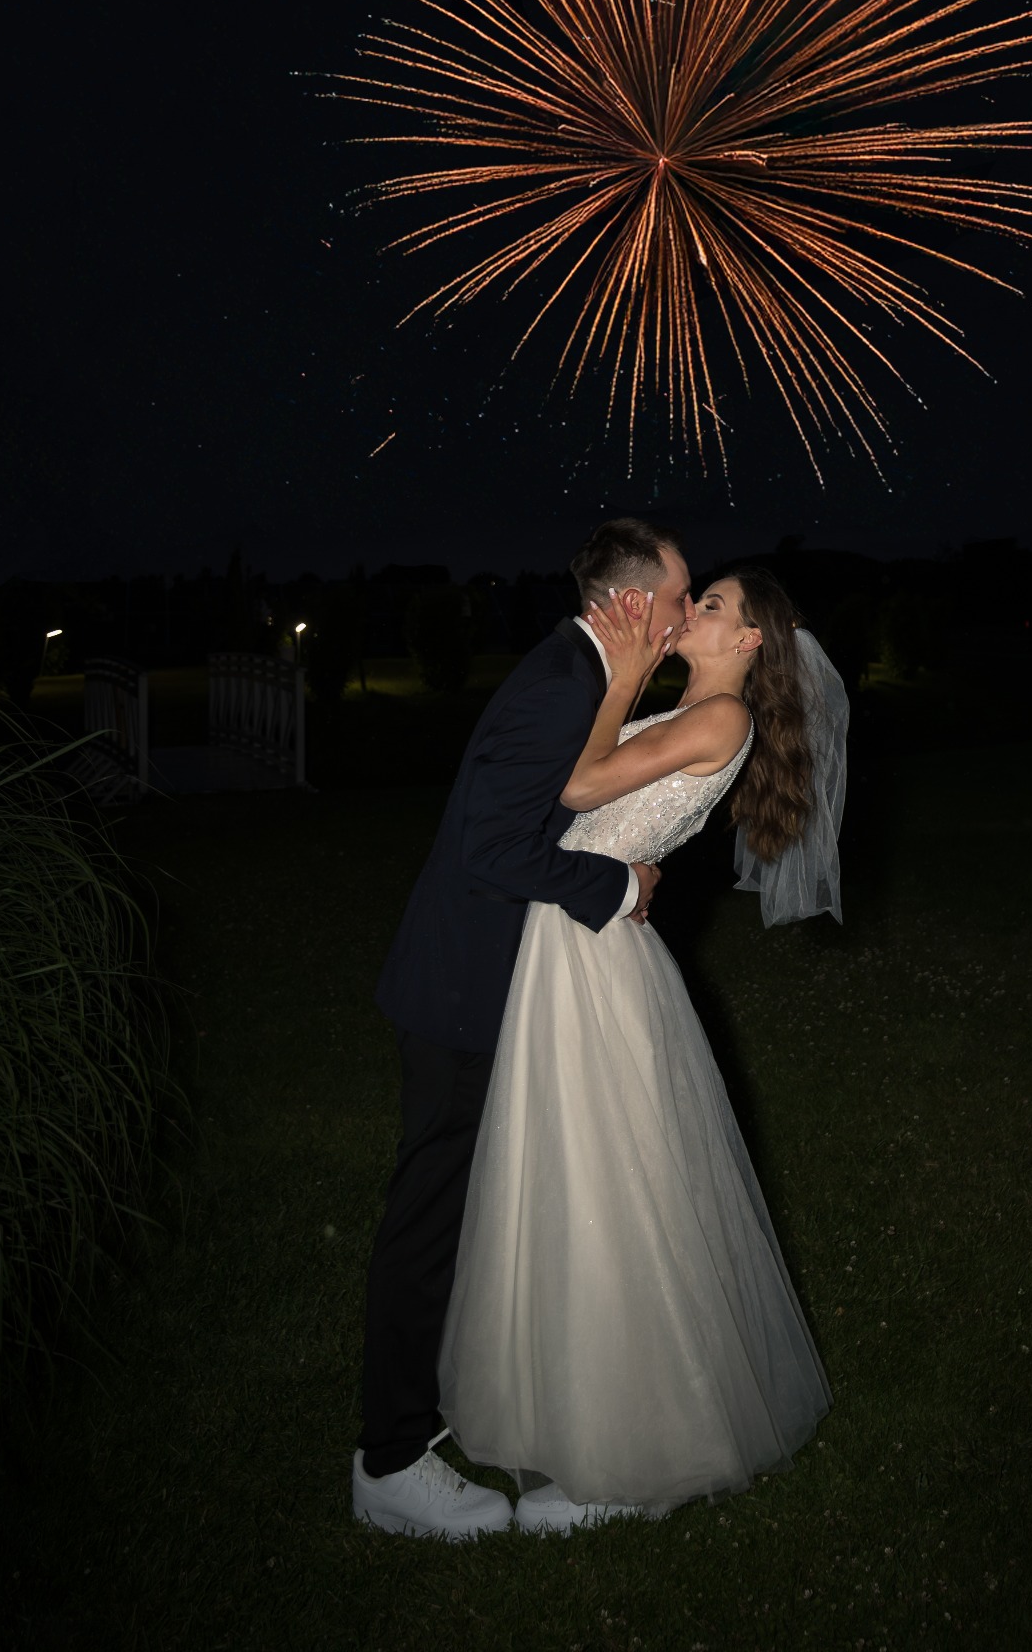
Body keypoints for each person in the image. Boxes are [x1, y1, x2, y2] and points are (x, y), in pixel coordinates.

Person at [437, 565, 842, 1532]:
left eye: (712, 606)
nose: (691, 610)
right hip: (571, 942)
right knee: (562, 1171)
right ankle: (555, 1405)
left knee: (608, 1181)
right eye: (693, 598)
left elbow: (579, 784)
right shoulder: (690, 712)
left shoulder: (719, 720)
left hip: (594, 964)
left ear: (749, 643)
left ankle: (629, 1448)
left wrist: (617, 672)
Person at [352, 518, 694, 1540]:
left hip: (489, 991)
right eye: (677, 601)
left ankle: (448, 1399)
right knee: (430, 1221)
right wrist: (617, 884)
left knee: (474, 1212)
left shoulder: (578, 673)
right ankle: (391, 1458)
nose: (680, 623)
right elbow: (492, 848)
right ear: (629, 605)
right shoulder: (560, 686)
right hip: (462, 996)